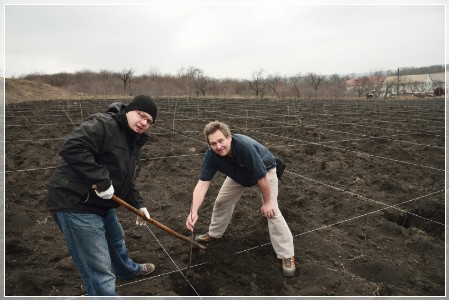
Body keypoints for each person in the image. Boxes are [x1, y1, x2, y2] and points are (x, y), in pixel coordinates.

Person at [47, 95, 158, 296]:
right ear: (128, 110)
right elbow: (72, 147)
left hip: (99, 203)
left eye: (149, 121)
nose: (143, 122)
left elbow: (125, 180)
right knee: (98, 268)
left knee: (116, 241)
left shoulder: (133, 141)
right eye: (141, 115)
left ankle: (127, 270)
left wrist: (139, 204)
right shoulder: (104, 124)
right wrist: (102, 180)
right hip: (75, 203)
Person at [185, 121, 296, 277]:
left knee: (272, 211)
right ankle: (214, 233)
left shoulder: (244, 148)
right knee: (221, 202)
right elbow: (203, 184)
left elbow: (262, 176)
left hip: (265, 171)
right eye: (213, 143)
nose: (218, 146)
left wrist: (267, 202)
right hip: (239, 174)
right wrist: (193, 211)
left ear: (229, 137)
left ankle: (287, 255)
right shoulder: (211, 156)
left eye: (221, 141)